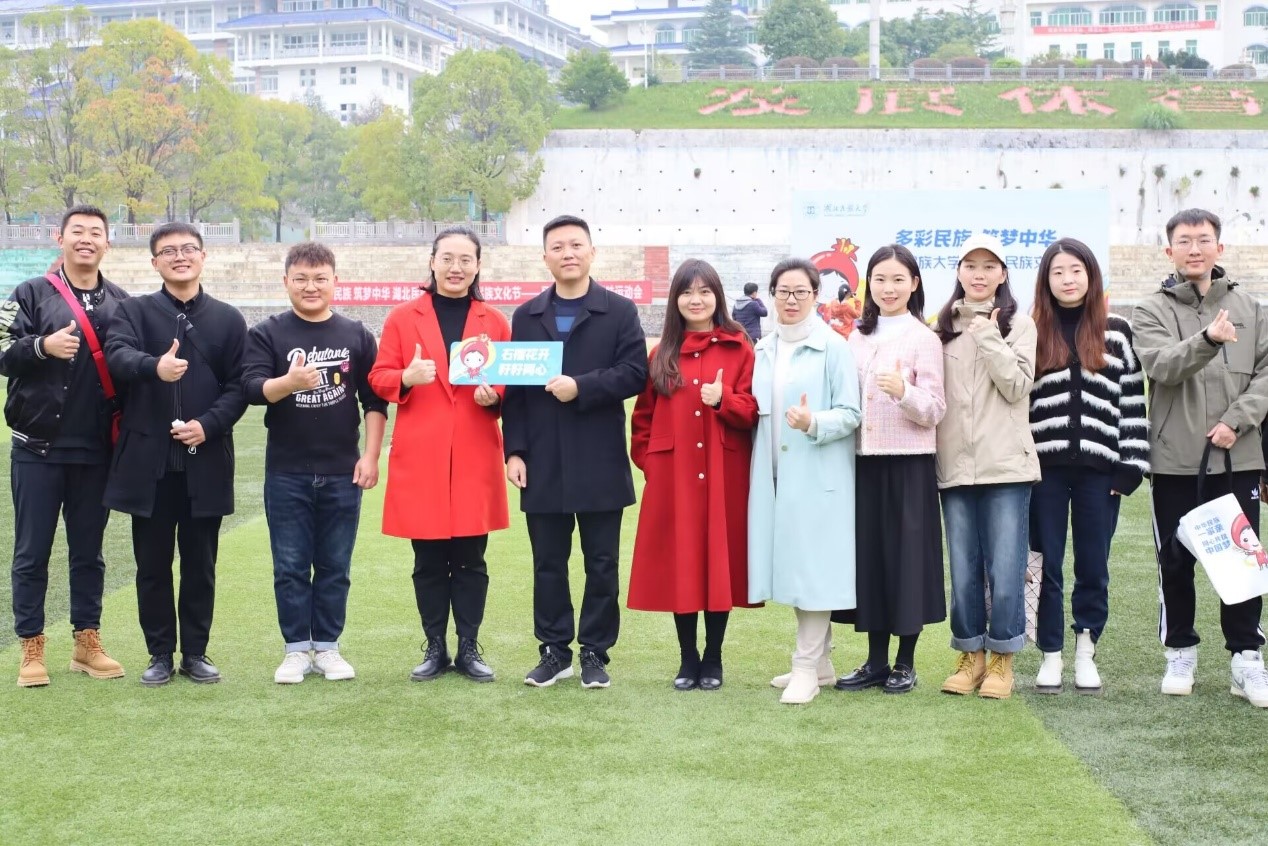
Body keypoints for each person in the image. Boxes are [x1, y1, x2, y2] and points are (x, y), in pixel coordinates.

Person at [503, 215, 647, 689]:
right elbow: (516, 390)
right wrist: (515, 450)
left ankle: (595, 652)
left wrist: (581, 387)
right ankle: (554, 651)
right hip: (542, 458)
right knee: (548, 562)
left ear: (591, 252)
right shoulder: (526, 316)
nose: (568, 253)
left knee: (601, 562)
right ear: (545, 257)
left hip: (599, 457)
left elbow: (634, 373)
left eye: (576, 245)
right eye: (558, 247)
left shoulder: (619, 310)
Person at [1133, 208, 1268, 708]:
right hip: (1175, 459)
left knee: (1243, 562)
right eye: (1185, 241)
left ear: (1220, 248)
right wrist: (1209, 339)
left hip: (1238, 456)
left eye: (1204, 239)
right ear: (1169, 251)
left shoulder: (1250, 307)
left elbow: (1266, 374)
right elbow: (1162, 366)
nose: (1195, 248)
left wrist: (1237, 421)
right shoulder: (1151, 309)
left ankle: (1246, 658)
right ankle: (1180, 651)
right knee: (1175, 560)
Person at [104, 222, 247, 686]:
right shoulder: (133, 311)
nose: (179, 257)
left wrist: (208, 424)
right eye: (168, 251)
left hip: (206, 460)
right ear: (155, 262)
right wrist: (154, 366)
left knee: (200, 565)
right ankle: (160, 653)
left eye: (188, 249)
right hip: (150, 463)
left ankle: (196, 653)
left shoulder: (228, 319)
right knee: (152, 565)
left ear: (203, 256)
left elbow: (239, 386)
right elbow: (117, 356)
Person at [369, 226, 510, 683]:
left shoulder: (495, 321)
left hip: (474, 452)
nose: (456, 267)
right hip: (422, 455)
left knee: (471, 557)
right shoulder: (402, 318)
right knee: (427, 559)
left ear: (478, 265)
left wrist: (496, 397)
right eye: (447, 258)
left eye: (466, 259)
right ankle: (434, 645)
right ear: (432, 262)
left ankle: (468, 646)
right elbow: (378, 377)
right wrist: (405, 378)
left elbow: (511, 384)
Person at [243, 242, 387, 685]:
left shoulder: (356, 335)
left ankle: (327, 646)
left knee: (334, 566)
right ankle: (295, 650)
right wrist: (288, 382)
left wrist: (371, 456)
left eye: (320, 278)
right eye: (301, 279)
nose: (311, 286)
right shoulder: (267, 333)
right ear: (286, 281)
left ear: (335, 282)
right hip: (287, 471)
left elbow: (375, 400)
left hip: (343, 470)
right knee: (289, 566)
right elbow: (252, 388)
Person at [0, 205, 128, 687]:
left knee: (88, 553)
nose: (86, 238)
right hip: (37, 447)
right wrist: (41, 347)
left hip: (96, 451)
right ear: (60, 238)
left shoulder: (122, 303)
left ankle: (86, 641)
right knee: (31, 552)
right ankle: (31, 646)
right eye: (78, 231)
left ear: (107, 243)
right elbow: (1, 349)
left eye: (96, 232)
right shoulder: (30, 293)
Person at [629, 259, 758, 692]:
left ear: (718, 297)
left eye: (705, 291)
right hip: (674, 476)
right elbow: (643, 420)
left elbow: (752, 411)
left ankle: (714, 657)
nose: (696, 300)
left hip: (724, 472)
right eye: (687, 292)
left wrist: (724, 400)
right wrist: (653, 464)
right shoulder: (661, 353)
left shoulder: (740, 349)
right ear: (676, 300)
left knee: (719, 562)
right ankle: (688, 658)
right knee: (681, 562)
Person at [1029, 238, 1149, 695]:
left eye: (1075, 270)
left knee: (1094, 564)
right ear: (1046, 280)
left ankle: (1085, 649)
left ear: (1091, 275)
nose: (1067, 279)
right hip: (1044, 471)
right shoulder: (1031, 330)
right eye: (1058, 272)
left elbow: (1132, 402)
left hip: (1101, 473)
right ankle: (1051, 654)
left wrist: (1131, 466)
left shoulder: (1116, 331)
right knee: (1047, 562)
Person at [748, 258, 861, 705]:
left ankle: (805, 668)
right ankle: (823, 662)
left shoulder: (833, 347)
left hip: (819, 477)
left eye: (801, 292)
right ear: (772, 296)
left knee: (814, 571)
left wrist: (814, 422)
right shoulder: (765, 348)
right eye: (783, 291)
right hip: (775, 474)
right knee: (796, 566)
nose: (791, 300)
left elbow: (851, 413)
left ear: (816, 296)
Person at [835, 245, 945, 696]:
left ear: (914, 284)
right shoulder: (857, 337)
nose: (889, 288)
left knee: (906, 562)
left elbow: (935, 409)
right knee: (872, 561)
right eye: (880, 279)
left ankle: (905, 662)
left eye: (899, 279)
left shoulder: (924, 338)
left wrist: (903, 392)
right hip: (863, 463)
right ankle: (875, 661)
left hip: (908, 464)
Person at [934, 234, 1039, 700]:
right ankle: (969, 655)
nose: (979, 274)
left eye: (989, 266)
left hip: (1006, 466)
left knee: (1006, 566)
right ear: (958, 271)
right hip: (954, 465)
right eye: (970, 266)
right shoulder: (939, 328)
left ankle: (1002, 658)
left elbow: (1016, 386)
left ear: (1003, 274)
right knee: (963, 568)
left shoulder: (1020, 324)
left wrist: (990, 336)